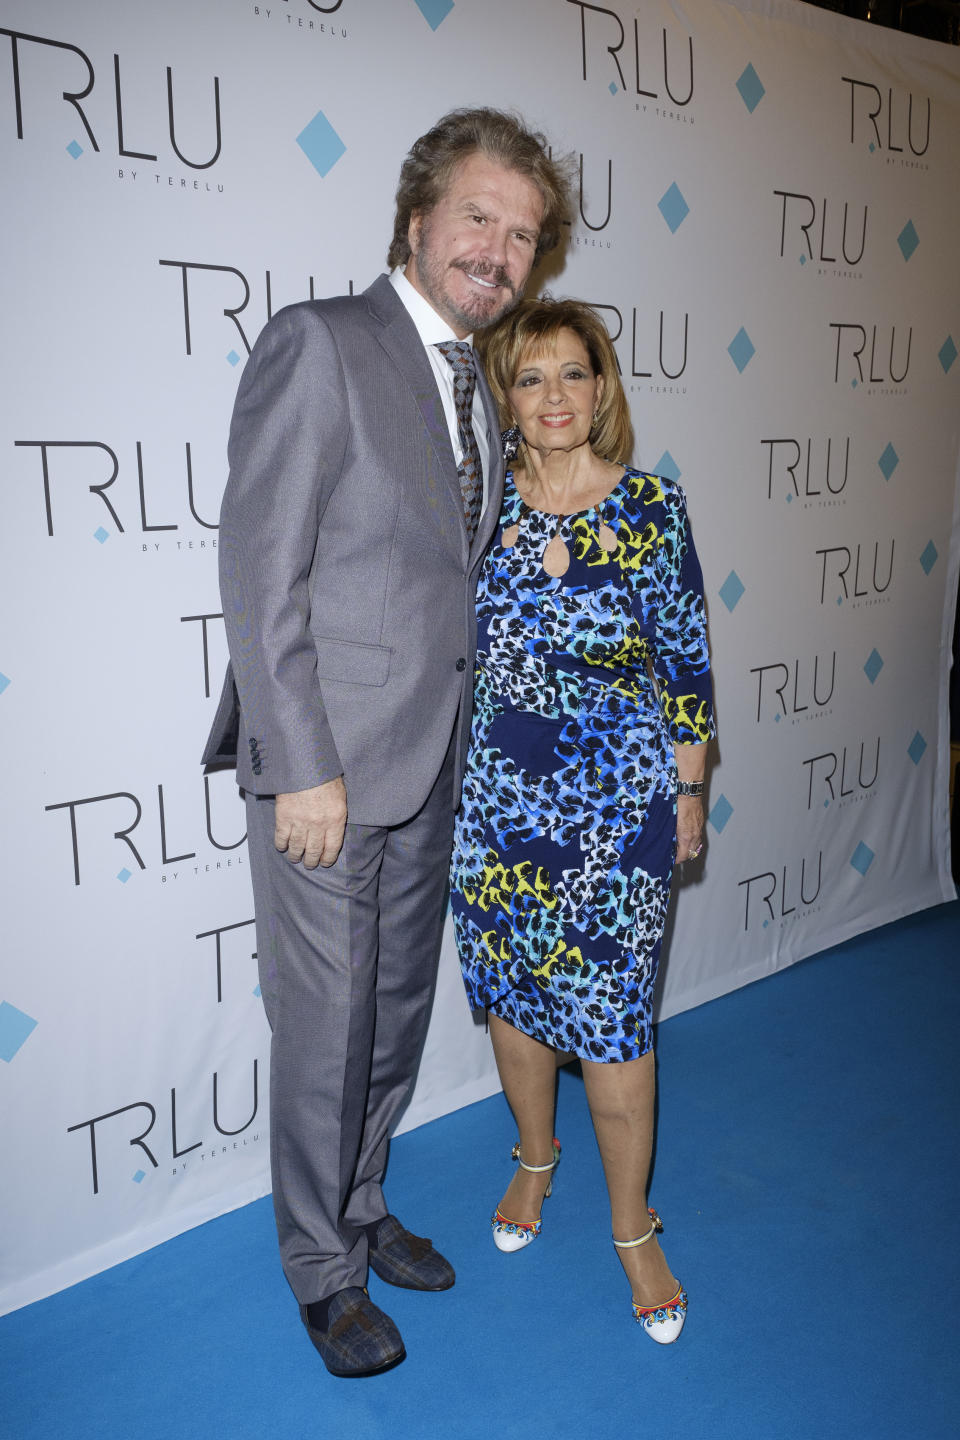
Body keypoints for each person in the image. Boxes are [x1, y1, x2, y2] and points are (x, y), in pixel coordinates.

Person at [202, 110, 571, 1377]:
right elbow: (260, 565)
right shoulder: (325, 342)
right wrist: (300, 762)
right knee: (326, 1026)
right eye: (479, 216)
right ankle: (320, 1270)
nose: (499, 251)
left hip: (428, 764)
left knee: (395, 1012)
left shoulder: (473, 375)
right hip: (325, 774)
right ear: (417, 217)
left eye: (521, 236)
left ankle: (359, 1208)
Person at [449, 297, 714, 1345]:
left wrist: (688, 794)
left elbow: (686, 670)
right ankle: (533, 1156)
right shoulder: (476, 510)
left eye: (574, 372)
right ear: (505, 399)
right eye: (530, 375)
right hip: (499, 813)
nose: (554, 394)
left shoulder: (653, 506)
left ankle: (632, 1224)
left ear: (602, 390)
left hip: (620, 817)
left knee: (611, 1030)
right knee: (513, 1005)